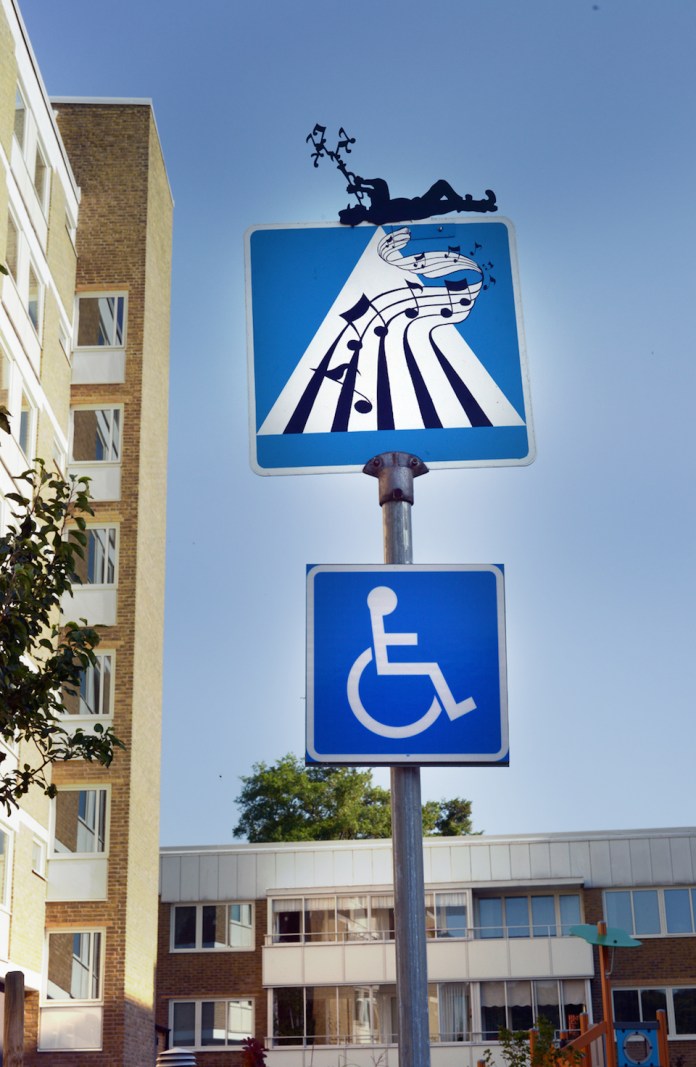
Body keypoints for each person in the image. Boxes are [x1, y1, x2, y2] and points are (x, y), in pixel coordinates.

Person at [338, 176, 497, 225]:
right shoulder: (375, 215)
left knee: (445, 190)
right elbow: (380, 188)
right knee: (447, 194)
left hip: (419, 204)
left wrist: (361, 185)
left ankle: (481, 205)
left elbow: (380, 185)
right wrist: (362, 186)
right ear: (356, 215)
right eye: (353, 209)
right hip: (421, 209)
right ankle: (480, 205)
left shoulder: (374, 210)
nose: (356, 206)